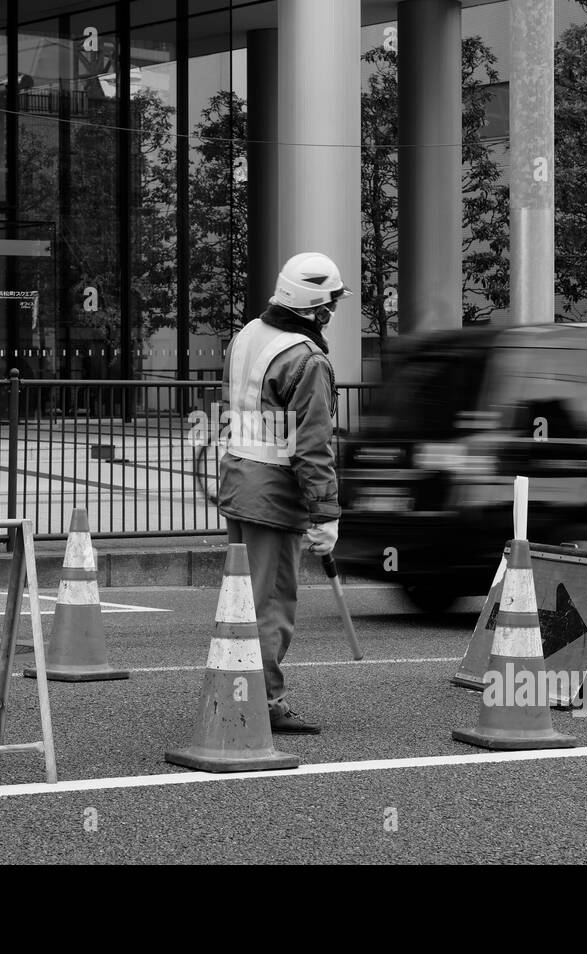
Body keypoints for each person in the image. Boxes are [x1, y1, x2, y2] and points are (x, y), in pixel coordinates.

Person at [216, 252, 347, 735]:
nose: (333, 312)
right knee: (269, 603)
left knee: (242, 598)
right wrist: (326, 513)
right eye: (331, 303)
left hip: (239, 482)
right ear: (317, 310)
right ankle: (262, 702)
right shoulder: (306, 360)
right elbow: (311, 447)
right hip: (272, 495)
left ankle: (237, 689)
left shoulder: (248, 335)